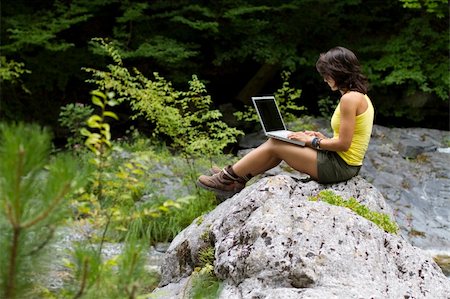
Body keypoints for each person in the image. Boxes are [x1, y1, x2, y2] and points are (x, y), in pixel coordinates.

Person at [197, 46, 374, 197]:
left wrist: (311, 141)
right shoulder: (358, 96)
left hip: (341, 166)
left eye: (326, 75)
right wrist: (320, 137)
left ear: (338, 72)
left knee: (276, 144)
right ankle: (235, 178)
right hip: (342, 161)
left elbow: (343, 144)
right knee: (278, 142)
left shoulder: (349, 100)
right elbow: (347, 139)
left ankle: (226, 179)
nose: (325, 79)